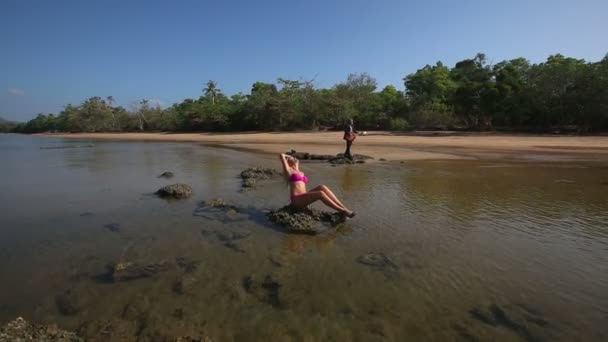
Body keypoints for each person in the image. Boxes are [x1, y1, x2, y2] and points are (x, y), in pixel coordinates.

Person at [279, 153, 355, 217]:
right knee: (320, 194)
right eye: (291, 158)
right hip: (297, 200)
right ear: (288, 161)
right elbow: (281, 155)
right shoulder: (288, 171)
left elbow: (297, 165)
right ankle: (342, 210)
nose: (294, 158)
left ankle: (343, 207)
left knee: (322, 187)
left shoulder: (298, 170)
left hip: (304, 196)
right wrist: (288, 157)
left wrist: (296, 163)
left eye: (294, 158)